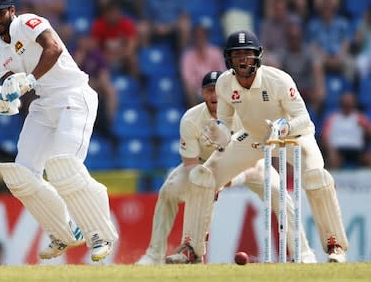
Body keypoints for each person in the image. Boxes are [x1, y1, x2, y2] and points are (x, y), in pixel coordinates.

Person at [177, 30, 348, 263]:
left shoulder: (278, 80)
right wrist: (219, 133)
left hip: (294, 136)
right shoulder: (225, 83)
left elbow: (305, 119)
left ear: (258, 56)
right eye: (237, 55)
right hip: (253, 137)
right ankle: (191, 249)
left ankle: (334, 244)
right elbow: (226, 125)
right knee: (203, 176)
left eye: (247, 54)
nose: (243, 59)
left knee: (316, 177)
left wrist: (282, 128)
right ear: (229, 59)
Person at [0, 0, 118, 262]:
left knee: (64, 168)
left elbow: (52, 48)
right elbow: (13, 89)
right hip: (43, 106)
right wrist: (6, 101)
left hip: (73, 95)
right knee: (21, 176)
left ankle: (100, 235)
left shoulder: (28, 23)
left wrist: (30, 80)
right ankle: (63, 232)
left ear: (11, 10)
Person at [136, 71, 316, 265]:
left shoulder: (243, 113)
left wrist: (227, 179)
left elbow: (253, 157)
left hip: (251, 164)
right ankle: (157, 254)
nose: (214, 96)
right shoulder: (191, 119)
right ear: (202, 94)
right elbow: (190, 165)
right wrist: (209, 180)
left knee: (279, 194)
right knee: (168, 190)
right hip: (205, 166)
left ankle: (303, 253)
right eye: (209, 91)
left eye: (217, 91)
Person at [321, 92, 371, 169]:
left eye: (349, 103)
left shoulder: (360, 118)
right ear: (341, 103)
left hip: (357, 150)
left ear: (354, 104)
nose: (347, 105)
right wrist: (330, 150)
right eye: (345, 103)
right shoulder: (332, 118)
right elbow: (324, 137)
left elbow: (369, 132)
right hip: (337, 149)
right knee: (333, 159)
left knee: (368, 158)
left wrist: (365, 129)